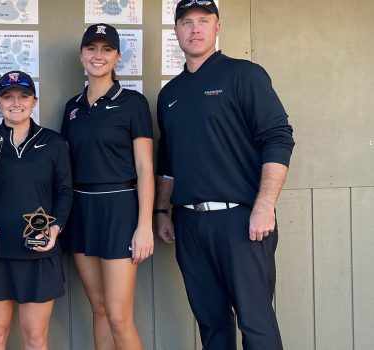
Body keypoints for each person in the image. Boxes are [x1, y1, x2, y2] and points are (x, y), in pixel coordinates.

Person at [154, 1, 295, 349]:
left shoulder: (244, 75)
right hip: (190, 225)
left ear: (217, 27)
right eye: (187, 22)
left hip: (241, 222)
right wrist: (161, 211)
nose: (195, 28)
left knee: (256, 323)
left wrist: (264, 205)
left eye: (204, 20)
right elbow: (168, 163)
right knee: (212, 324)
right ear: (176, 32)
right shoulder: (169, 94)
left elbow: (278, 138)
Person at [60, 23, 155, 350]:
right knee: (98, 309)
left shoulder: (133, 103)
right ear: (81, 55)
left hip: (119, 209)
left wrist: (145, 226)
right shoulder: (72, 107)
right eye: (91, 49)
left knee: (118, 316)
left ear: (117, 57)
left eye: (106, 49)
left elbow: (145, 168)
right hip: (82, 211)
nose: (97, 56)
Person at [0, 70, 73, 350]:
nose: (16, 103)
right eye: (8, 97)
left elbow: (64, 191)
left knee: (36, 339)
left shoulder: (53, 142)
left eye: (23, 96)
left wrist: (56, 226)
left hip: (38, 250)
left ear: (34, 101)